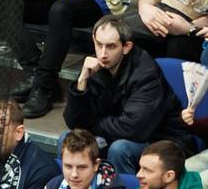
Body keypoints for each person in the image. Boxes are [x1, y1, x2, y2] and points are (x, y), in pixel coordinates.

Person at [65, 19, 172, 176]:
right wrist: (82, 82)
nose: (103, 54)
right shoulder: (95, 67)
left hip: (158, 139)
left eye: (111, 46)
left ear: (126, 47)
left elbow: (133, 129)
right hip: (113, 134)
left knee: (120, 149)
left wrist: (91, 124)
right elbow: (74, 122)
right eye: (99, 45)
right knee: (68, 140)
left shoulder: (146, 73)